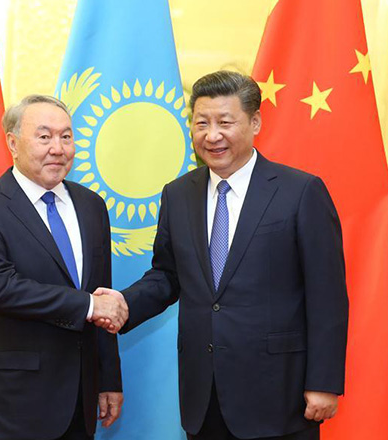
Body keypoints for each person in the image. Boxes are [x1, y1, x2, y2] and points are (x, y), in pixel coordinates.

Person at [96, 71, 348, 440]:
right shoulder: (178, 194)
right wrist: (124, 303)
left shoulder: (300, 191)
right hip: (204, 395)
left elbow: (327, 295)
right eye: (202, 123)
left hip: (280, 394)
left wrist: (323, 382)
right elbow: (168, 275)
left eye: (225, 122)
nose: (212, 135)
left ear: (255, 122)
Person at [0, 95, 128, 440]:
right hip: (9, 402)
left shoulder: (91, 206)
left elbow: (101, 294)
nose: (58, 148)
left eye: (66, 136)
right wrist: (89, 305)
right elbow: (0, 290)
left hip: (79, 398)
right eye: (44, 137)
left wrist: (108, 379)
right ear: (13, 143)